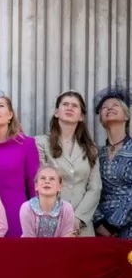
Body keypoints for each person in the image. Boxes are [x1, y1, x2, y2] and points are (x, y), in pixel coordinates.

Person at [0, 90, 39, 237]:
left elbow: (34, 185)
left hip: (18, 215)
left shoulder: (26, 144)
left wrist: (37, 219)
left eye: (0, 106)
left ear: (10, 115)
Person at [34, 90, 100, 236]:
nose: (69, 107)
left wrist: (77, 219)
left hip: (82, 226)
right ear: (57, 112)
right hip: (50, 221)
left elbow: (95, 188)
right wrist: (63, 218)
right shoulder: (40, 143)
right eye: (65, 104)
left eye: (75, 106)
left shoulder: (91, 148)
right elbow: (42, 182)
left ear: (81, 116)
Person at [92, 82, 132, 238]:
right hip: (101, 230)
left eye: (115, 105)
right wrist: (99, 223)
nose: (109, 108)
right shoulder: (96, 153)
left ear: (126, 115)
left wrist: (113, 225)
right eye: (104, 107)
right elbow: (90, 189)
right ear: (101, 118)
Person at [20, 165, 76, 237]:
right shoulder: (27, 208)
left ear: (60, 187)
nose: (47, 181)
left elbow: (66, 239)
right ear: (36, 186)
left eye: (52, 179)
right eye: (43, 178)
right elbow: (29, 240)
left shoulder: (67, 209)